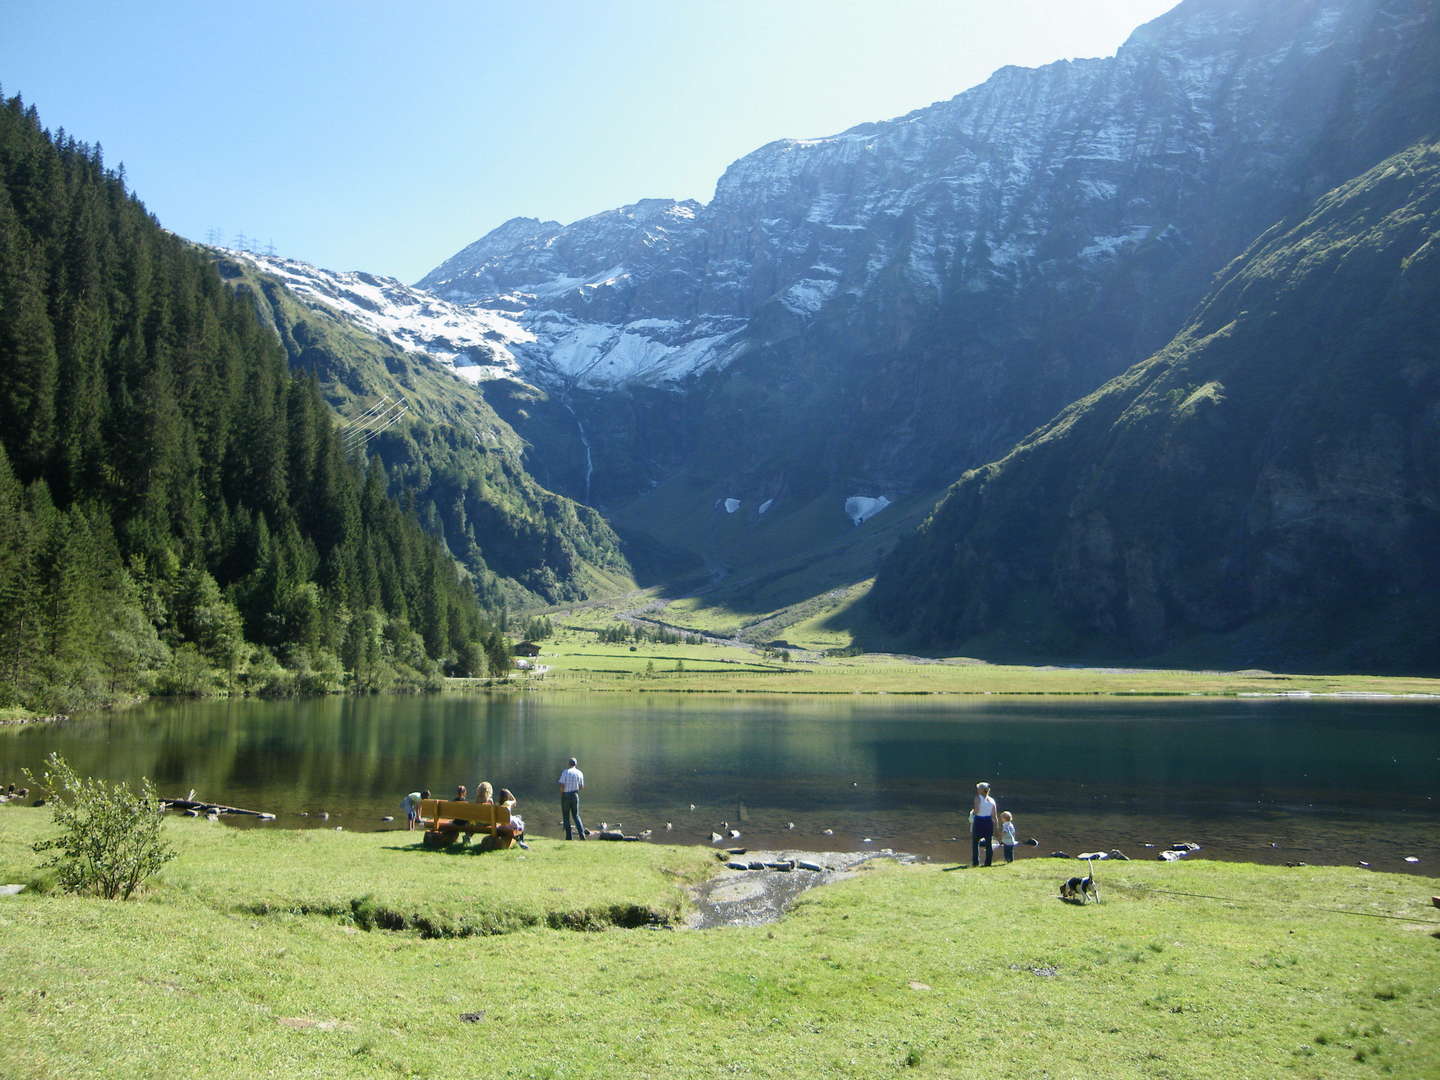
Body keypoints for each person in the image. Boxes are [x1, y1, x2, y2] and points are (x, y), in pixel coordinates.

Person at [558, 757, 586, 840]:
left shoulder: (565, 772)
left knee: (566, 816)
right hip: (575, 795)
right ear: (576, 764)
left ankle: (569, 837)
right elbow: (581, 786)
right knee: (576, 816)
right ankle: (582, 835)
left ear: (569, 764)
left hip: (566, 795)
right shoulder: (580, 773)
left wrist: (562, 794)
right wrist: (575, 791)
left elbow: (562, 785)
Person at [971, 781, 997, 867]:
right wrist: (996, 827)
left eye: (978, 789)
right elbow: (994, 815)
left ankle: (975, 862)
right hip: (988, 822)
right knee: (988, 844)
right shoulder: (992, 800)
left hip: (979, 821)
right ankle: (988, 863)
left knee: (975, 843)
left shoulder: (978, 798)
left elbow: (977, 811)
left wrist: (973, 812)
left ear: (981, 790)